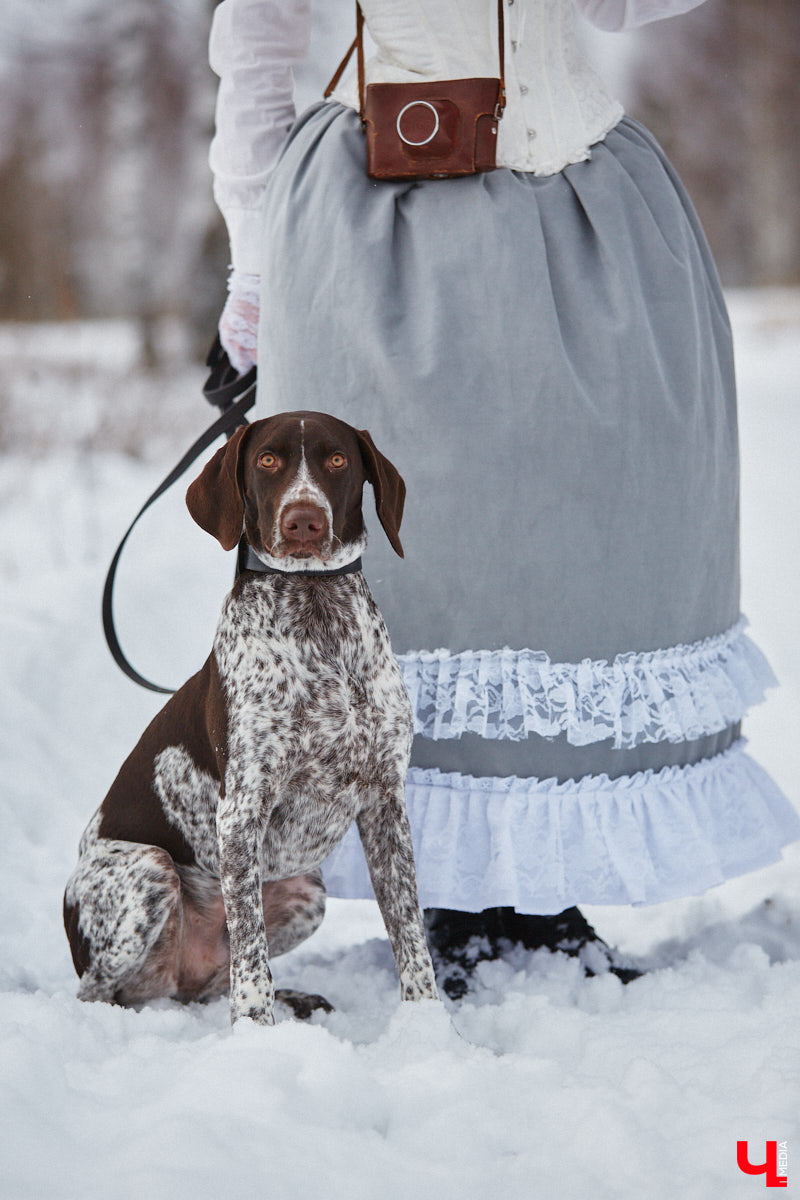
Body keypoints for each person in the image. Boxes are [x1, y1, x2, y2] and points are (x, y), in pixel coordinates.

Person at [208, 0, 800, 996]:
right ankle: (443, 892)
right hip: (368, 237)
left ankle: (536, 887)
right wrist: (256, 263)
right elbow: (255, 42)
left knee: (575, 552)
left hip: (573, 219)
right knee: (418, 565)